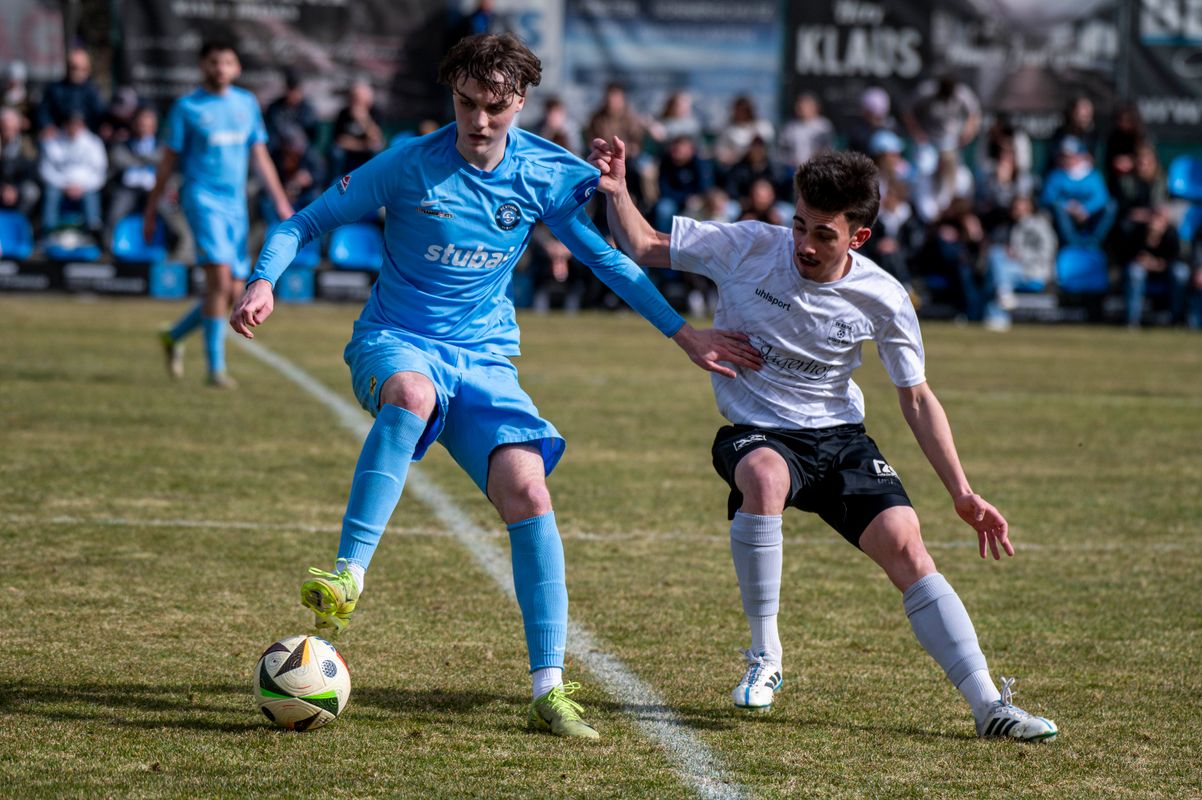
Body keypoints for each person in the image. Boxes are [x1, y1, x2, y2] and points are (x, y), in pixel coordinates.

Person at [229, 33, 758, 740]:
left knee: (529, 492)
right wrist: (264, 279)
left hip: (485, 361)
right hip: (396, 342)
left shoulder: (544, 172)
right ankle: (348, 575)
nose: (478, 121)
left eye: (494, 107)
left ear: (522, 101)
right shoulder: (408, 164)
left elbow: (609, 260)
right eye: (466, 103)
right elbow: (303, 222)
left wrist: (683, 333)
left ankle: (549, 690)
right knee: (412, 398)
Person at [590, 138, 1059, 741]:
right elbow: (645, 245)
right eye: (800, 225)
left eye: (824, 234)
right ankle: (765, 657)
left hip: (840, 440)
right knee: (764, 476)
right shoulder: (749, 246)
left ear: (858, 237)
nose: (804, 245)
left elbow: (916, 397)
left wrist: (962, 492)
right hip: (758, 432)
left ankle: (989, 705)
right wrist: (618, 192)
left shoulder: (884, 297)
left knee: (908, 546)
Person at [144, 41, 293, 388]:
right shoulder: (187, 107)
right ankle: (215, 370)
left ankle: (174, 336)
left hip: (235, 204)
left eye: (227, 61)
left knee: (232, 290)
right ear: (203, 66)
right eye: (214, 61)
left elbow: (260, 156)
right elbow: (167, 162)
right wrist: (151, 208)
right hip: (201, 199)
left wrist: (281, 201)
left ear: (237, 67)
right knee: (220, 281)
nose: (221, 68)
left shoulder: (246, 103)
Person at [38, 110, 106, 236]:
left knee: (92, 195)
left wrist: (82, 186)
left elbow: (100, 172)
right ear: (65, 124)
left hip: (85, 186)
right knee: (51, 193)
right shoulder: (52, 142)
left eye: (77, 124)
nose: (74, 127)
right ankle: (48, 231)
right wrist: (64, 185)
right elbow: (45, 170)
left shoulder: (94, 143)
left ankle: (94, 231)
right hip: (60, 186)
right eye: (71, 124)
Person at [35, 47, 105, 136]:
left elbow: (100, 114)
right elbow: (44, 112)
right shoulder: (55, 89)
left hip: (86, 135)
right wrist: (47, 125)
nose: (77, 72)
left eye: (82, 69)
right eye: (74, 68)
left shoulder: (92, 90)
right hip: (59, 135)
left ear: (88, 69)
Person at [330, 80, 384, 175]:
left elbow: (376, 141)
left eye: (358, 99)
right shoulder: (343, 113)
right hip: (348, 152)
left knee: (376, 151)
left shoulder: (375, 113)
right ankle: (336, 180)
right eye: (353, 98)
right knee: (336, 152)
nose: (354, 102)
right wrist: (364, 145)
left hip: (366, 152)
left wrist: (364, 120)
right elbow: (340, 140)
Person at [777, 92, 834, 171]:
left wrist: (816, 157)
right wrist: (791, 160)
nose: (801, 108)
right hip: (793, 169)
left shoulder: (824, 126)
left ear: (815, 107)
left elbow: (829, 148)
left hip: (817, 169)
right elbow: (782, 150)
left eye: (805, 105)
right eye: (799, 105)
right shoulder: (790, 127)